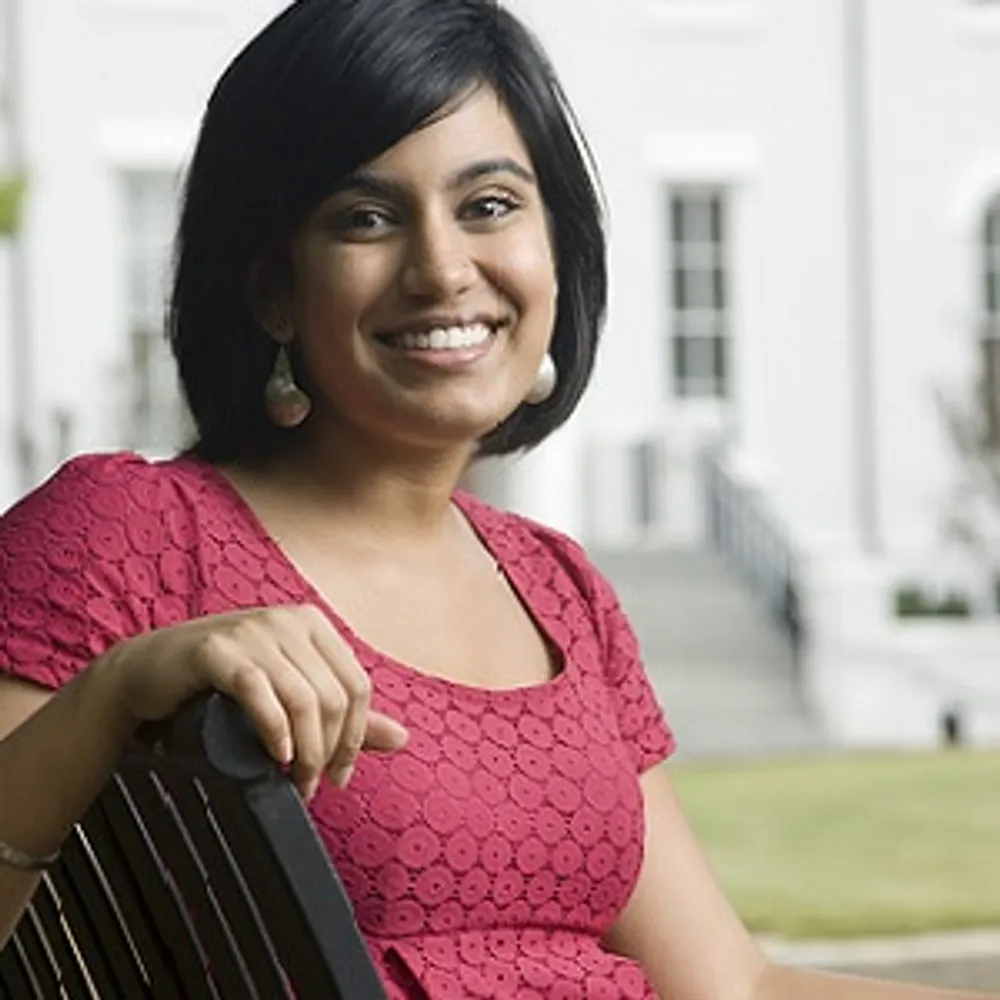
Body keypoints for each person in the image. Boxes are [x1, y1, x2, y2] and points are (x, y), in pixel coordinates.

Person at [0, 2, 993, 996]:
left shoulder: (556, 586)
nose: (442, 270)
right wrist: (115, 689)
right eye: (366, 218)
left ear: (555, 249)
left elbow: (731, 987)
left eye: (488, 206)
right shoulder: (127, 539)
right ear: (272, 290)